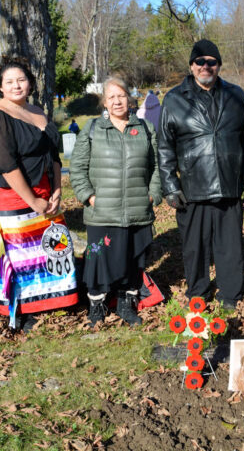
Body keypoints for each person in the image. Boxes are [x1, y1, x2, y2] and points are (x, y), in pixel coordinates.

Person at [0, 57, 78, 331]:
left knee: (52, 246)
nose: (16, 86)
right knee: (18, 254)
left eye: (21, 80)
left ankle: (53, 299)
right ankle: (20, 310)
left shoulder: (38, 111)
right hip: (9, 194)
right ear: (0, 87)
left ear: (31, 83)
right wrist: (31, 200)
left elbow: (53, 154)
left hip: (44, 190)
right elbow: (5, 164)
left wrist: (57, 189)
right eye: (9, 81)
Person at [158, 39, 244, 309]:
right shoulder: (174, 99)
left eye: (211, 62)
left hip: (229, 184)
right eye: (200, 62)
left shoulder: (235, 95)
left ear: (219, 65)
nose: (205, 66)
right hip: (192, 187)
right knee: (195, 247)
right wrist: (170, 185)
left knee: (229, 246)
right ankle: (198, 292)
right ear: (191, 66)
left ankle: (230, 295)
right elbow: (164, 146)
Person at [69, 76, 162, 327]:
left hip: (137, 209)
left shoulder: (145, 128)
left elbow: (156, 166)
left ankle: (125, 304)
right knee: (98, 260)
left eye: (121, 95)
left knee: (133, 259)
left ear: (129, 99)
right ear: (104, 102)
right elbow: (77, 168)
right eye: (111, 97)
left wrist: (153, 194)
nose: (117, 101)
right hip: (102, 212)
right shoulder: (92, 129)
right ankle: (97, 306)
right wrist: (89, 196)